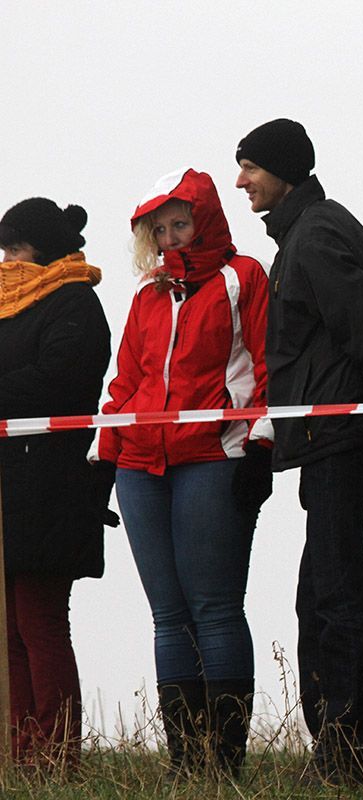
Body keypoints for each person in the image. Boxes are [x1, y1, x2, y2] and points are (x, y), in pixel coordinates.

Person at [234, 118, 363, 785]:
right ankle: (337, 745)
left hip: (336, 439)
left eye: (250, 166)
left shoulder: (315, 236)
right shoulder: (305, 233)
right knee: (320, 593)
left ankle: (350, 750)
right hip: (324, 441)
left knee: (337, 593)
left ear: (283, 170)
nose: (241, 180)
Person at [96, 168, 272, 777]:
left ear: (206, 218)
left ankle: (224, 764)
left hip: (212, 457)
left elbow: (265, 362)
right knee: (168, 615)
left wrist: (261, 442)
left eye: (181, 222)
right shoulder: (148, 292)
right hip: (141, 464)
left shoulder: (242, 276)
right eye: (160, 228)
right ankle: (186, 763)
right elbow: (125, 381)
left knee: (215, 608)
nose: (172, 236)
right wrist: (105, 453)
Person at [0, 199, 111, 769]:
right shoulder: (9, 306)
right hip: (11, 486)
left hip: (51, 485)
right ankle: (21, 750)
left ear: (41, 249)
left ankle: (56, 750)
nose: (7, 260)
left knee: (40, 621)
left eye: (14, 249)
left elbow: (61, 382)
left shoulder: (76, 302)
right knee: (11, 628)